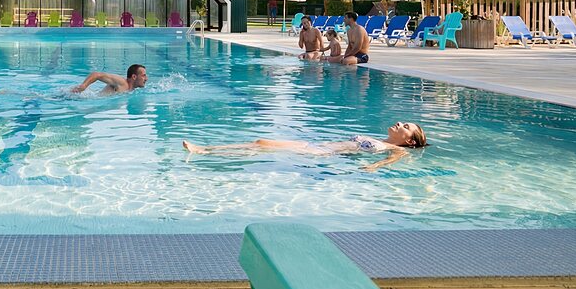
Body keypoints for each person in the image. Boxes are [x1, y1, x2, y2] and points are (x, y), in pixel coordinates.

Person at [182, 121, 427, 171]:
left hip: (320, 154)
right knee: (259, 142)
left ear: (409, 141)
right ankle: (207, 150)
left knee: (261, 145)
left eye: (405, 126)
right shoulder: (381, 141)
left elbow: (389, 162)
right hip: (314, 145)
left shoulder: (398, 149)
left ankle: (205, 152)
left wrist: (373, 167)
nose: (399, 123)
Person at [73, 63, 148, 94]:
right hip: (84, 100)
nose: (146, 79)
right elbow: (97, 74)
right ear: (134, 77)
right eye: (143, 75)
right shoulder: (121, 82)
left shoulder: (132, 89)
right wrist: (84, 86)